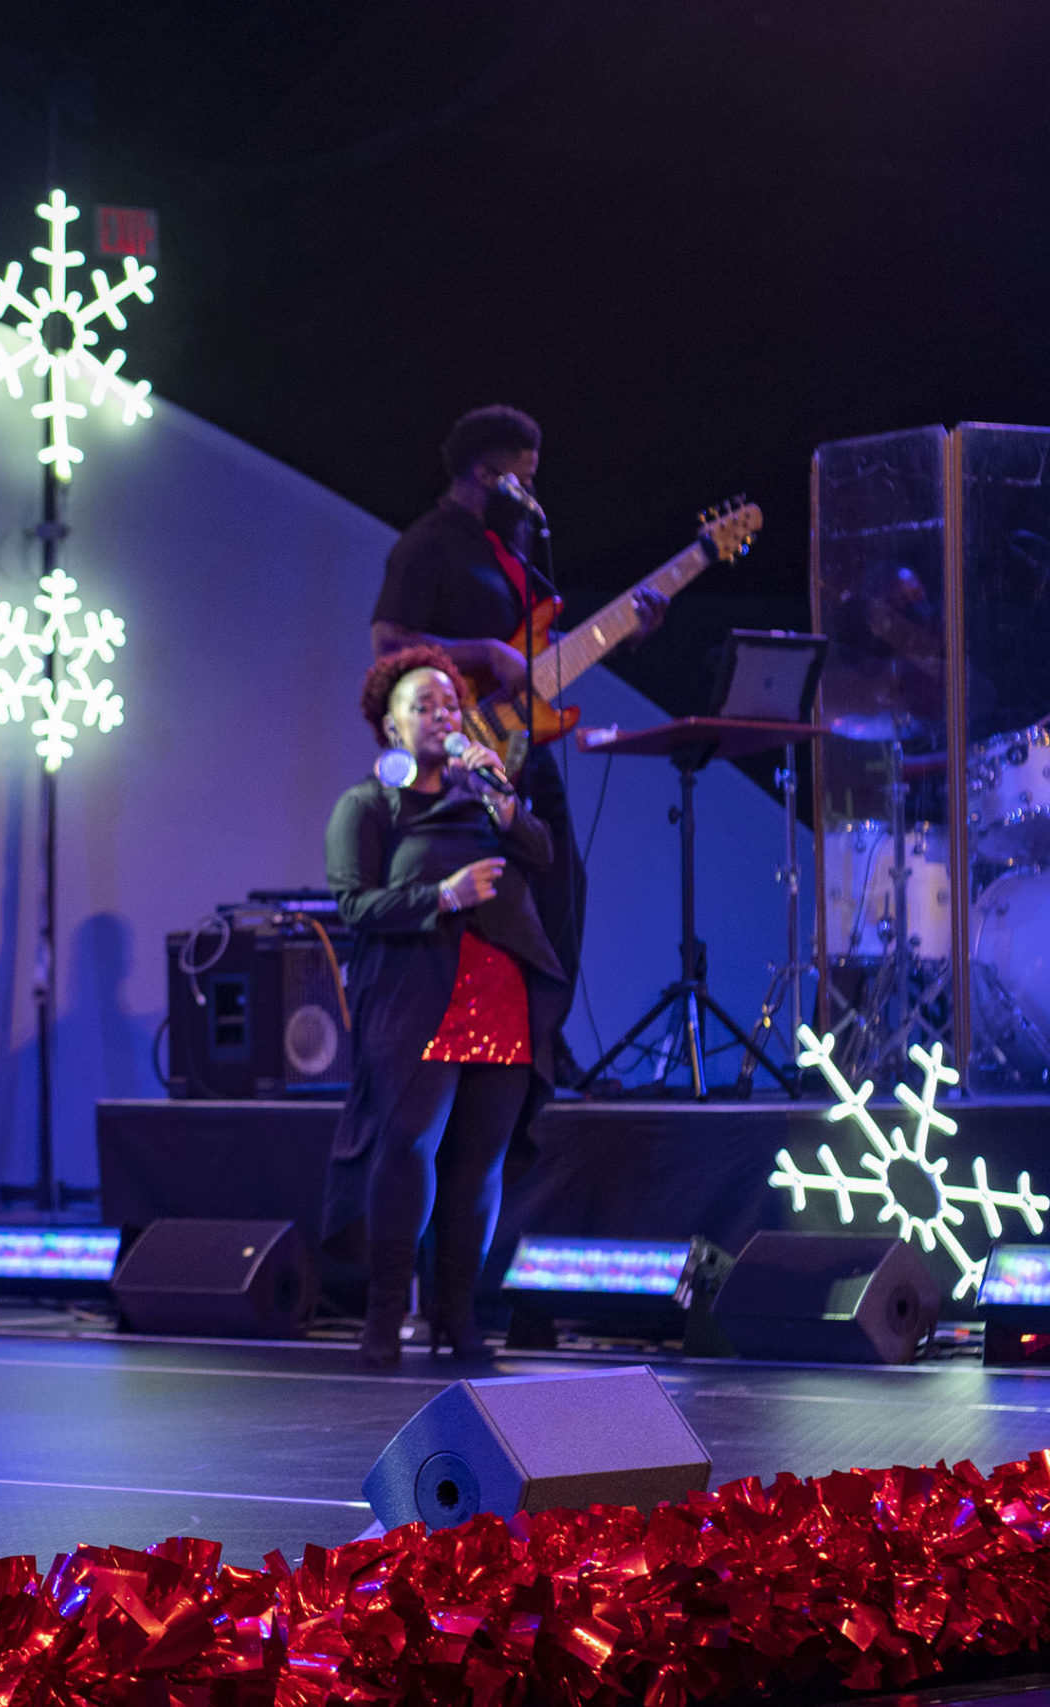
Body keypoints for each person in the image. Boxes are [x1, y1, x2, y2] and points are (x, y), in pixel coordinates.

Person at [371, 405, 664, 1059]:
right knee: (492, 901)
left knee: (562, 886)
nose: (531, 492)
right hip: (458, 747)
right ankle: (494, 1045)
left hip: (520, 743)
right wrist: (484, 651)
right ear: (484, 472)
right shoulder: (426, 545)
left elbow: (535, 659)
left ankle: (542, 1045)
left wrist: (626, 634)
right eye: (521, 479)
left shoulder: (506, 550)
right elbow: (389, 643)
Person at [323, 647, 569, 1368]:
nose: (440, 716)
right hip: (415, 995)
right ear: (390, 726)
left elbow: (544, 854)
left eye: (450, 705)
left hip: (498, 992)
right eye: (422, 705)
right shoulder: (368, 805)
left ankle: (457, 1317)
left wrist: (503, 800)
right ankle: (384, 1317)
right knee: (409, 1144)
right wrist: (442, 895)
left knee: (480, 1163)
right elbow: (353, 903)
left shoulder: (483, 792)